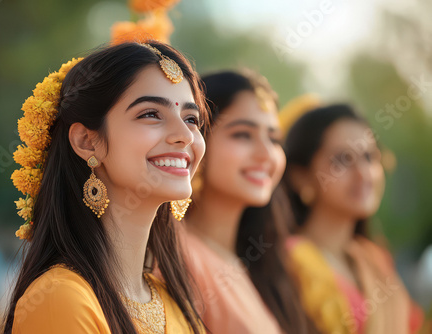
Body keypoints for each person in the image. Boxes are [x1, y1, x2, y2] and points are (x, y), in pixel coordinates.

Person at [2, 41, 208, 334]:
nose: (184, 136)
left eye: (191, 119)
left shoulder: (172, 302)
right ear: (87, 142)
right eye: (150, 114)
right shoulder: (60, 299)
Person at [179, 70, 317, 333]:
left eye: (274, 139)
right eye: (243, 134)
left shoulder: (266, 263)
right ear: (195, 140)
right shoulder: (174, 254)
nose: (266, 154)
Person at [283, 104, 424, 334]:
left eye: (369, 157)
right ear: (301, 177)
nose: (364, 173)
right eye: (343, 160)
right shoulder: (291, 262)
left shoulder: (374, 260)